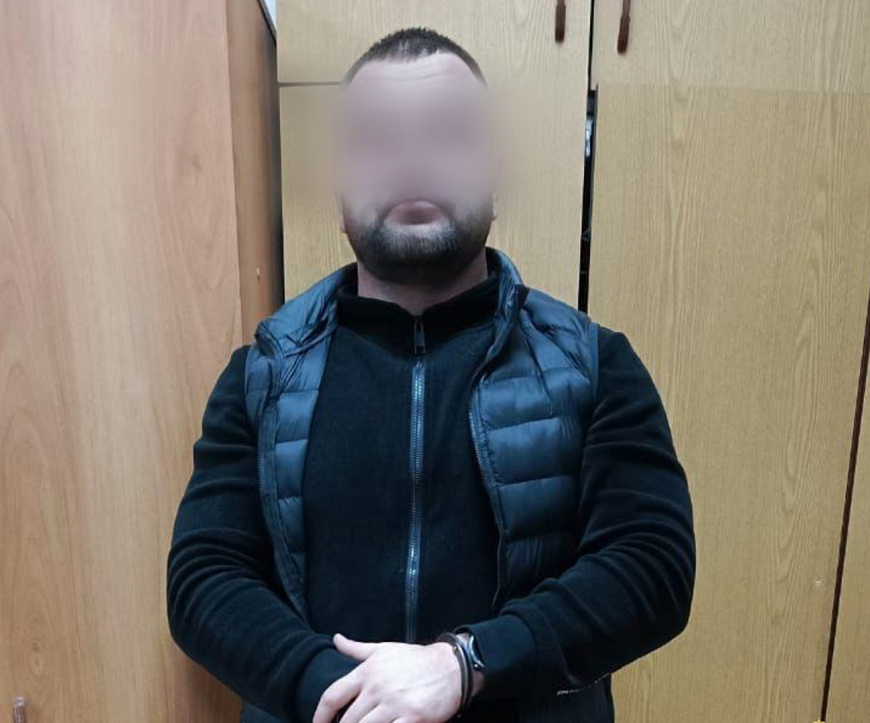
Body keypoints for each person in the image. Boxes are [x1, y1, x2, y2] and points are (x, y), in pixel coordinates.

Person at [166, 26, 696, 723]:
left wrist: (466, 663)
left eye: (447, 134)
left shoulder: (594, 364)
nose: (412, 161)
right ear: (339, 192)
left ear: (496, 182)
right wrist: (349, 697)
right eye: (378, 139)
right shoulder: (263, 372)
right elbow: (204, 579)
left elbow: (652, 565)